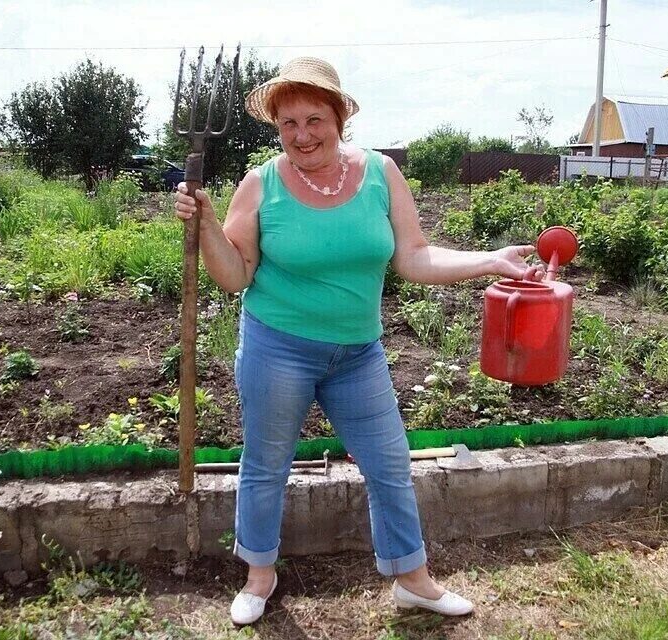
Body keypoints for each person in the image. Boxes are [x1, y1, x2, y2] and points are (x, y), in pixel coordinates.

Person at [173, 57, 544, 626]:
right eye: (288, 123)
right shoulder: (262, 183)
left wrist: (489, 259)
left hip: (357, 353)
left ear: (341, 116)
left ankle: (412, 579)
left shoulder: (379, 174)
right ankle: (259, 574)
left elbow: (415, 257)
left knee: (390, 462)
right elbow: (234, 275)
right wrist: (204, 226)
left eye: (315, 119)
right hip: (279, 347)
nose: (302, 135)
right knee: (267, 463)